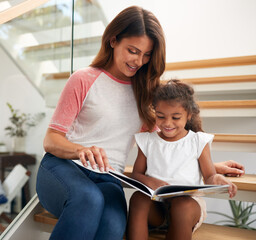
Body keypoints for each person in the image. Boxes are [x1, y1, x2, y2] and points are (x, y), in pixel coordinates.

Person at [36, 6, 244, 240]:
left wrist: (211, 167)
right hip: (64, 168)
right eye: (133, 51)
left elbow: (167, 146)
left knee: (113, 226)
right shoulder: (83, 79)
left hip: (108, 177)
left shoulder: (147, 94)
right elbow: (51, 140)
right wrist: (81, 150)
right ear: (113, 40)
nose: (139, 61)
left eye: (146, 55)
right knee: (88, 200)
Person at [127, 80, 238, 240]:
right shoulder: (148, 141)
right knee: (138, 198)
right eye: (160, 116)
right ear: (155, 112)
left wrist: (218, 179)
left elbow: (209, 176)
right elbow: (136, 174)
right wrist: (148, 180)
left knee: (181, 205)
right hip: (158, 208)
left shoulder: (198, 141)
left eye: (176, 117)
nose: (167, 123)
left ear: (189, 115)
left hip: (187, 209)